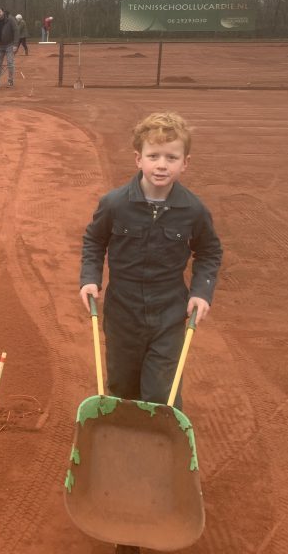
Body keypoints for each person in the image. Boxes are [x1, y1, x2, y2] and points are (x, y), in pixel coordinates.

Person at [79, 112, 222, 415]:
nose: (161, 164)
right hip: (122, 313)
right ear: (138, 159)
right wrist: (90, 278)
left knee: (160, 393)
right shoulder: (115, 204)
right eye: (153, 155)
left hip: (169, 314)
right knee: (122, 388)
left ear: (185, 163)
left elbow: (209, 252)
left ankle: (160, 448)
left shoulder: (194, 211)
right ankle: (123, 446)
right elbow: (94, 240)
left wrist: (201, 292)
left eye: (171, 157)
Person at [0, 6, 18, 89]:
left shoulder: (10, 19)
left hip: (9, 45)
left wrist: (15, 44)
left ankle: (10, 80)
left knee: (10, 63)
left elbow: (16, 30)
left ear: (3, 12)